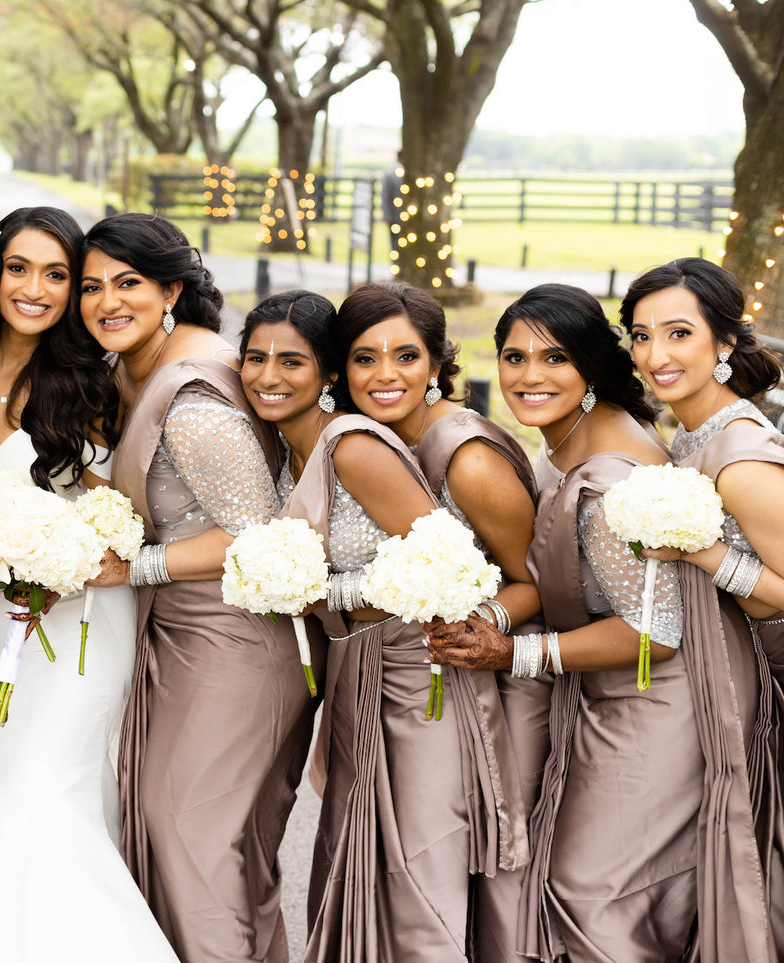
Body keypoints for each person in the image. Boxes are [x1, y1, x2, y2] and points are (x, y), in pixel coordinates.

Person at [427, 284, 729, 961]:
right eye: (512, 355)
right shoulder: (563, 442)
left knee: (594, 893)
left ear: (590, 367)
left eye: (553, 356)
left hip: (653, 709)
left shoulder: (610, 484)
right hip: (599, 700)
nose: (527, 375)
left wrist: (514, 655)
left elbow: (653, 630)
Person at [0, 207, 178, 962]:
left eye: (56, 274)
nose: (33, 288)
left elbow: (120, 509)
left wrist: (62, 556)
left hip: (75, 616)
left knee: (49, 782)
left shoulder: (86, 384)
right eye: (17, 268)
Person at [82, 212, 309, 963]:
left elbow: (258, 532)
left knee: (190, 831)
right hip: (179, 633)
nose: (106, 301)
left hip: (233, 640)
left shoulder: (193, 395)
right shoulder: (132, 368)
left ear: (171, 289)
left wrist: (133, 567)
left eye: (127, 283)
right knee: (199, 840)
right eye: (91, 286)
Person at [233, 290, 452, 961]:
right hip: (354, 665)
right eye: (254, 358)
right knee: (353, 853)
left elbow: (444, 564)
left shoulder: (351, 447)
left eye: (292, 361)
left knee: (411, 861)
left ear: (326, 373)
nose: (268, 376)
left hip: (414, 675)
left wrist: (316, 587)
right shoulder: (283, 448)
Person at [330, 281, 544, 958]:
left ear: (436, 362)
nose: (384, 375)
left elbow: (536, 581)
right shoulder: (373, 441)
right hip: (394, 677)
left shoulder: (467, 458)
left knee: (440, 859)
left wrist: (469, 621)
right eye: (364, 359)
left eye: (405, 356)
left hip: (473, 681)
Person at [623, 257, 783, 956]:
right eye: (639, 335)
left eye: (677, 333)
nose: (654, 354)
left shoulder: (741, 456)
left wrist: (697, 551)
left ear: (723, 343)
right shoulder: (690, 433)